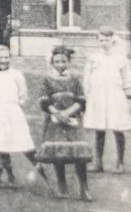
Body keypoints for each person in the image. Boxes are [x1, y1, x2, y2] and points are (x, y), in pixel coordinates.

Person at [0, 44, 38, 188]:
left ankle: (1, 177)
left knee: (15, 142)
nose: (3, 60)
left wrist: (18, 104)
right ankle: (7, 176)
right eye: (0, 57)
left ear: (10, 58)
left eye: (6, 57)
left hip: (12, 111)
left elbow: (23, 93)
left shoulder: (16, 74)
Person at [36, 46, 92, 200]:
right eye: (57, 61)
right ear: (52, 63)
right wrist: (58, 113)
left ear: (69, 62)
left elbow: (81, 100)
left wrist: (68, 113)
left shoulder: (74, 79)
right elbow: (44, 101)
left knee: (78, 154)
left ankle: (84, 188)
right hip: (55, 121)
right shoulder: (47, 79)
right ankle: (62, 186)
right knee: (58, 153)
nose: (60, 64)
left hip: (73, 119)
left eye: (63, 61)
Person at [84, 29, 131, 174]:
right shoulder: (93, 58)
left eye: (106, 40)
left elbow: (127, 78)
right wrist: (88, 96)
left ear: (112, 40)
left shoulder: (120, 58)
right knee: (99, 129)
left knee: (118, 128)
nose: (104, 43)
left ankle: (120, 162)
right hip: (98, 95)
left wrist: (128, 93)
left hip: (115, 95)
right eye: (101, 40)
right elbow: (87, 79)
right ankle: (98, 162)